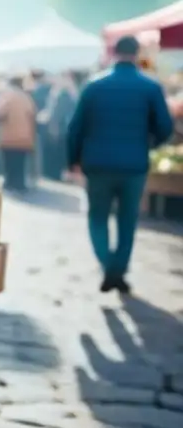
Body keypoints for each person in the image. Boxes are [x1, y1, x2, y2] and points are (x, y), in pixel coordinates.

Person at [67, 35, 175, 294]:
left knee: (97, 217)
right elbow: (165, 128)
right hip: (134, 165)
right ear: (137, 53)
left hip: (98, 164)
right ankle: (118, 270)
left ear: (114, 52)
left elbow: (75, 128)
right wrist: (148, 144)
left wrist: (73, 160)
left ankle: (108, 265)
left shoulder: (94, 86)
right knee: (128, 220)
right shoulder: (150, 87)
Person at [0, 76, 37, 192]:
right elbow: (32, 116)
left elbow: (0, 114)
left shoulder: (6, 97)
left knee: (9, 162)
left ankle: (10, 183)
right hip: (24, 137)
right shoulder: (27, 98)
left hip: (8, 137)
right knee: (20, 163)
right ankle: (20, 183)